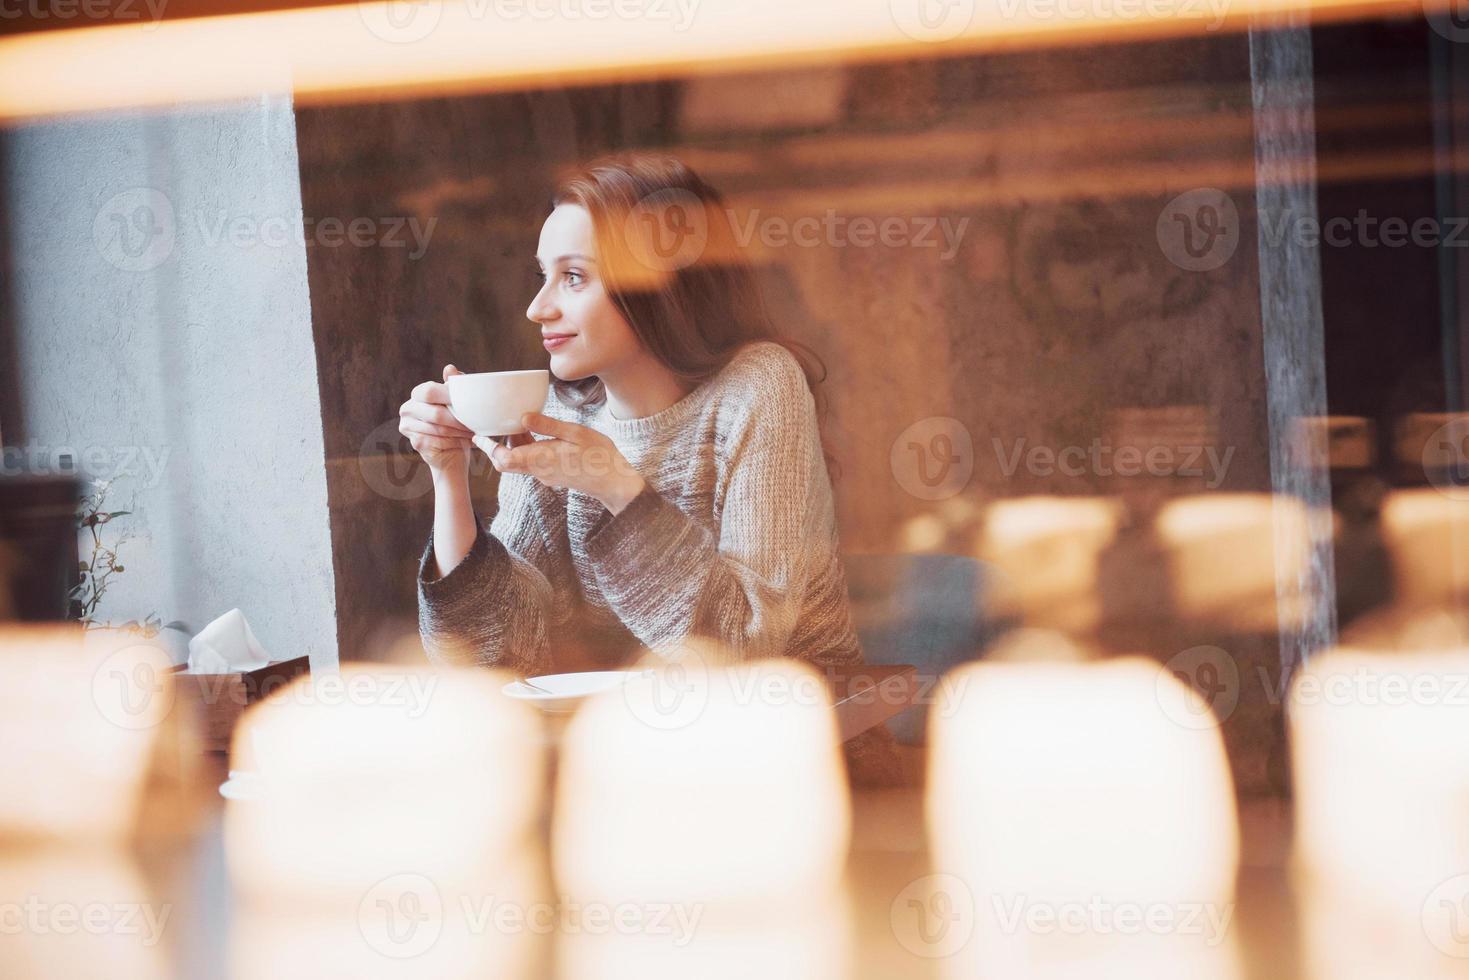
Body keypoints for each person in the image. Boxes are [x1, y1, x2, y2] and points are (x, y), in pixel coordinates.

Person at [401, 152, 903, 787]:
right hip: (632, 770)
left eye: (574, 277)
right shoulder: (558, 411)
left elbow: (742, 648)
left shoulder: (758, 386)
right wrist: (447, 476)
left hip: (796, 767)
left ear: (657, 285)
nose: (537, 308)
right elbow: (491, 656)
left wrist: (613, 484)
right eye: (542, 276)